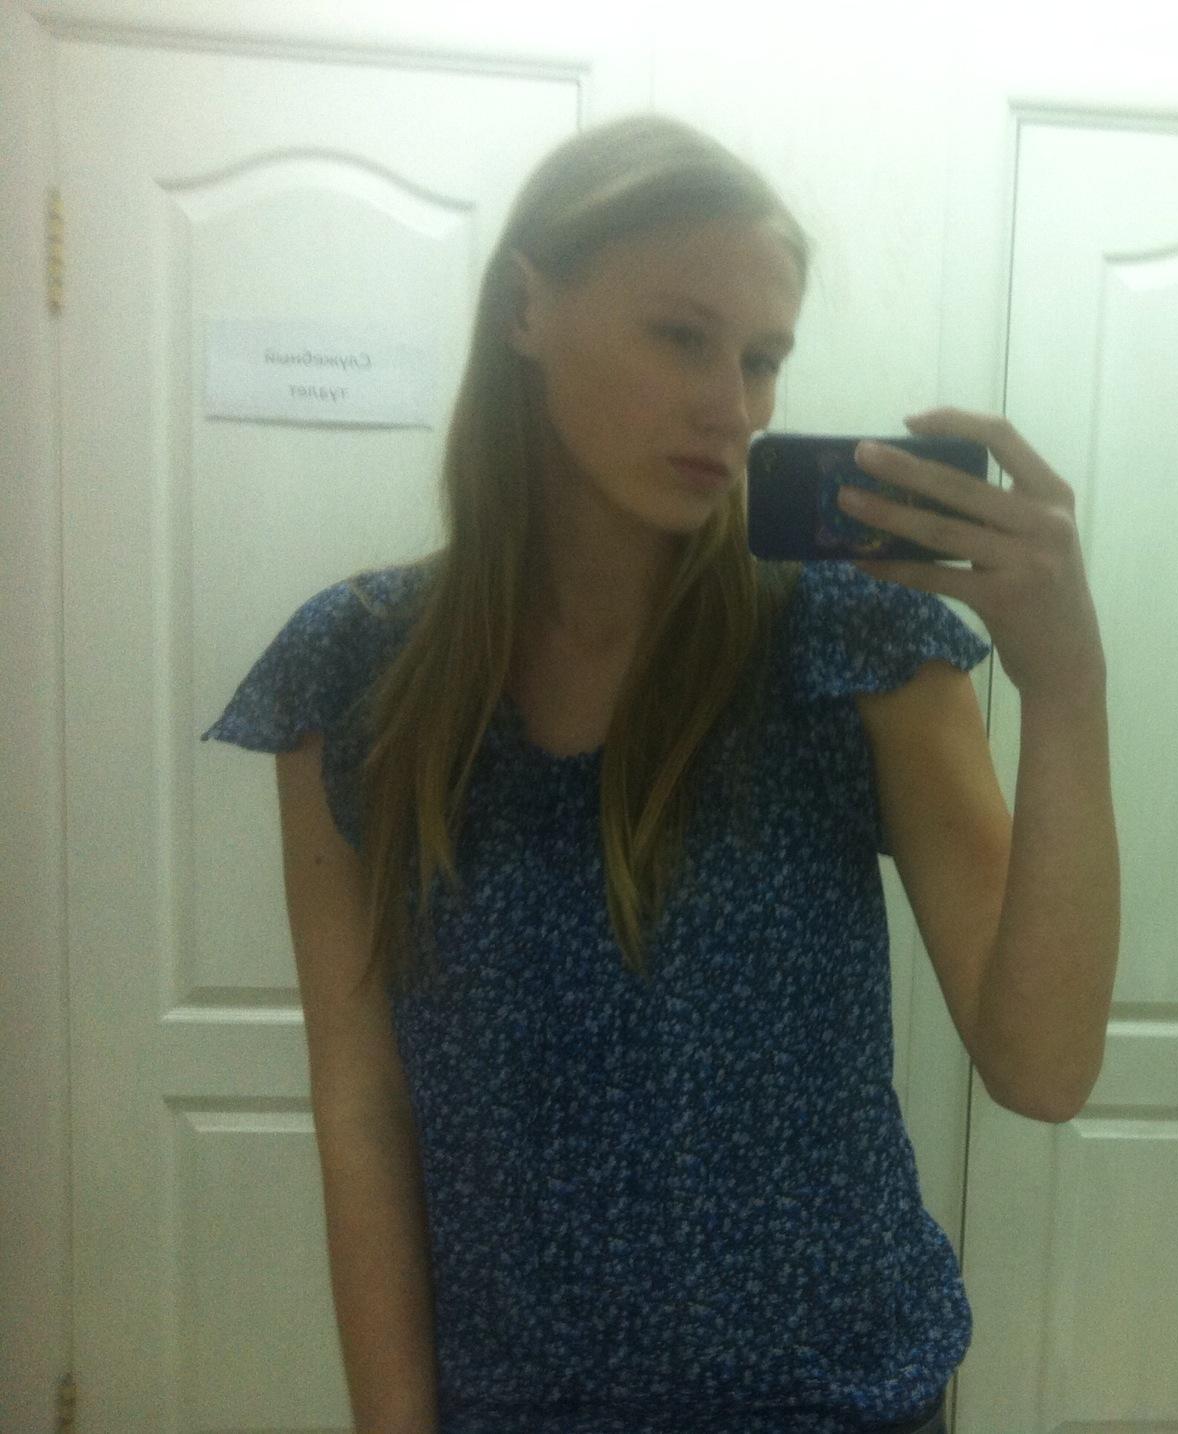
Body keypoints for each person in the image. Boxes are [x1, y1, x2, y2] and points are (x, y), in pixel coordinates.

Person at [205, 112, 1119, 1434]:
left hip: (841, 1402)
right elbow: (364, 1106)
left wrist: (1068, 693)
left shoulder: (852, 647)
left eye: (763, 359)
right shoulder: (357, 674)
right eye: (682, 338)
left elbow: (1044, 1068)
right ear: (528, 308)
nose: (732, 408)